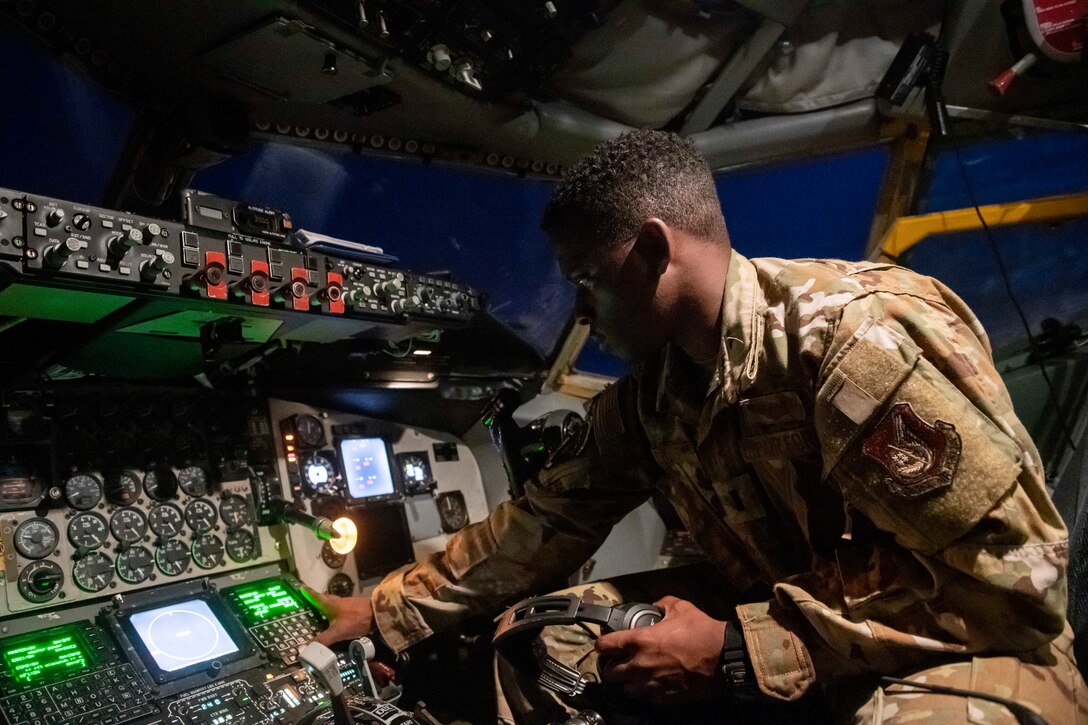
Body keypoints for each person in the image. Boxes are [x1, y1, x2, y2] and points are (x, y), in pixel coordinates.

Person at [308, 130, 1088, 724]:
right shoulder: (655, 396)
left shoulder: (855, 343)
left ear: (652, 250)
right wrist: (387, 610)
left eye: (586, 279)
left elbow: (1015, 588)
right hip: (799, 621)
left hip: (979, 650)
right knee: (544, 640)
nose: (579, 310)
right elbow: (544, 521)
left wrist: (741, 649)